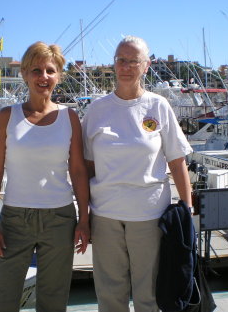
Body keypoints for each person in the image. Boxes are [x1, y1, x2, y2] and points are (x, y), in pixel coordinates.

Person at [82, 36, 193, 312]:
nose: (127, 66)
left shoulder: (158, 106)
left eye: (134, 61)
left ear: (146, 66)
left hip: (149, 215)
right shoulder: (97, 109)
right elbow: (87, 167)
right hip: (106, 215)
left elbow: (177, 161)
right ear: (114, 65)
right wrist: (83, 217)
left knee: (149, 295)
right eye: (121, 60)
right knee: (110, 295)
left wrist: (187, 209)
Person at [0, 41, 90, 312]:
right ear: (25, 75)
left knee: (53, 300)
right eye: (36, 70)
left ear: (59, 76)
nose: (44, 77)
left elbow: (77, 171)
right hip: (14, 220)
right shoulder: (7, 116)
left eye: (50, 70)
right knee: (4, 298)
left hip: (60, 219)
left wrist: (84, 220)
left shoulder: (70, 117)